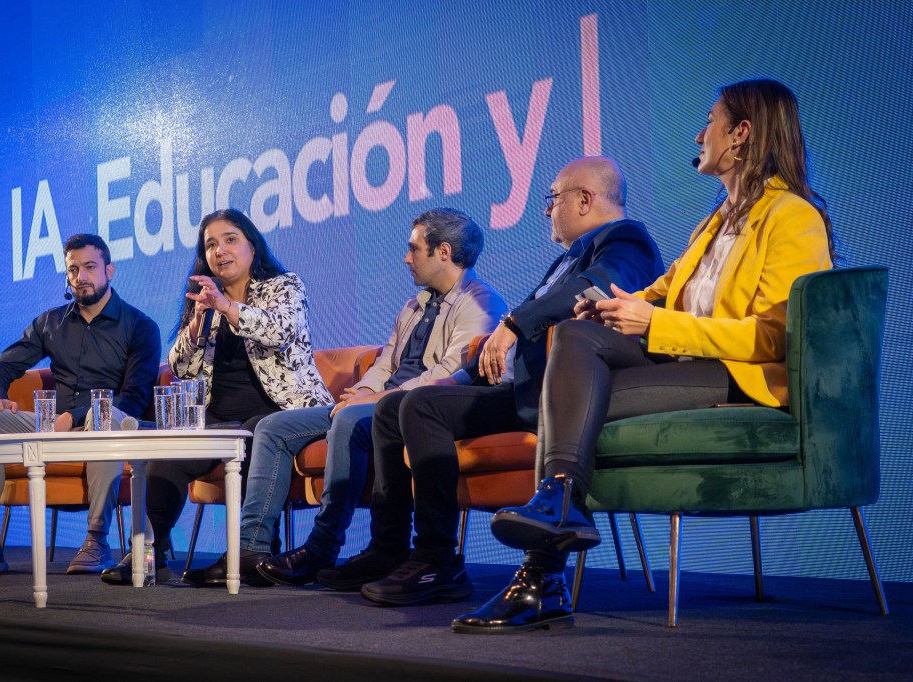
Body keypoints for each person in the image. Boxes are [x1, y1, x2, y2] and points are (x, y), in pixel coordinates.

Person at [452, 78, 836, 634]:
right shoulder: (717, 221)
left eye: (711, 121)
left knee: (574, 405)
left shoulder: (791, 216)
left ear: (742, 135)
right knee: (578, 338)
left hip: (742, 376)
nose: (701, 134)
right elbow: (664, 289)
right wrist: (619, 304)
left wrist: (655, 323)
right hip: (689, 363)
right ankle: (557, 512)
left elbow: (773, 337)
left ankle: (541, 577)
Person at [325, 156, 664, 606]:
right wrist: (455, 380)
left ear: (585, 200)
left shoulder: (626, 238)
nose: (546, 210)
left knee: (413, 404)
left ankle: (434, 559)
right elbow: (516, 329)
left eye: (553, 199)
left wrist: (512, 323)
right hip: (529, 392)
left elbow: (590, 290)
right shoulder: (566, 258)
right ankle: (399, 550)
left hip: (573, 403)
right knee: (404, 406)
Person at [182, 208, 507, 588]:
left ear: (444, 252)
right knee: (270, 428)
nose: (406, 258)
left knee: (349, 420)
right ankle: (250, 549)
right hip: (379, 401)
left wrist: (376, 398)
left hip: (412, 408)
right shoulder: (413, 307)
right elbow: (386, 362)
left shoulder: (481, 303)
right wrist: (366, 390)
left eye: (414, 249)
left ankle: (322, 545)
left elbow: (449, 374)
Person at [101, 208, 332, 585]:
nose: (220, 251)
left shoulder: (284, 286)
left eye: (230, 240)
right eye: (211, 245)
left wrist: (228, 308)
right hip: (219, 418)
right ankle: (147, 553)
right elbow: (179, 368)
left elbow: (280, 332)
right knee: (171, 451)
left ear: (252, 246)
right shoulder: (205, 300)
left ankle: (248, 553)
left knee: (256, 436)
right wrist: (195, 326)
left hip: (281, 412)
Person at [0, 234, 161, 575]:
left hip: (108, 424)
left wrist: (75, 416)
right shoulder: (50, 323)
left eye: (90, 267)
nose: (81, 276)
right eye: (73, 269)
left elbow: (134, 398)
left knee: (106, 416)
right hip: (54, 427)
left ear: (109, 270)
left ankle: (97, 541)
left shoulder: (140, 326)